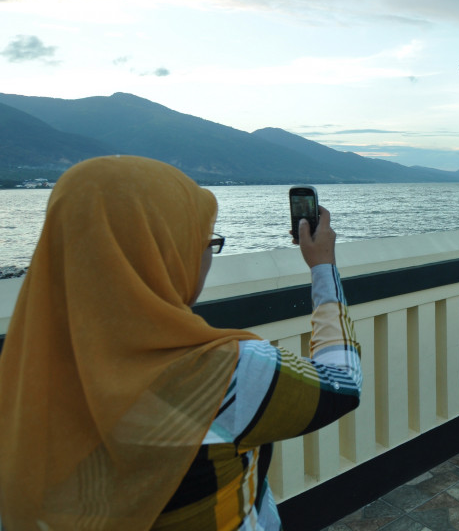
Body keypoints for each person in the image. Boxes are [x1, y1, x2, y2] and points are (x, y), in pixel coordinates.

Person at [0, 156, 362, 530]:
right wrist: (323, 267)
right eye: (205, 240)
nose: (206, 253)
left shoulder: (22, 375)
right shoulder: (223, 374)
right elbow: (342, 385)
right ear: (163, 253)